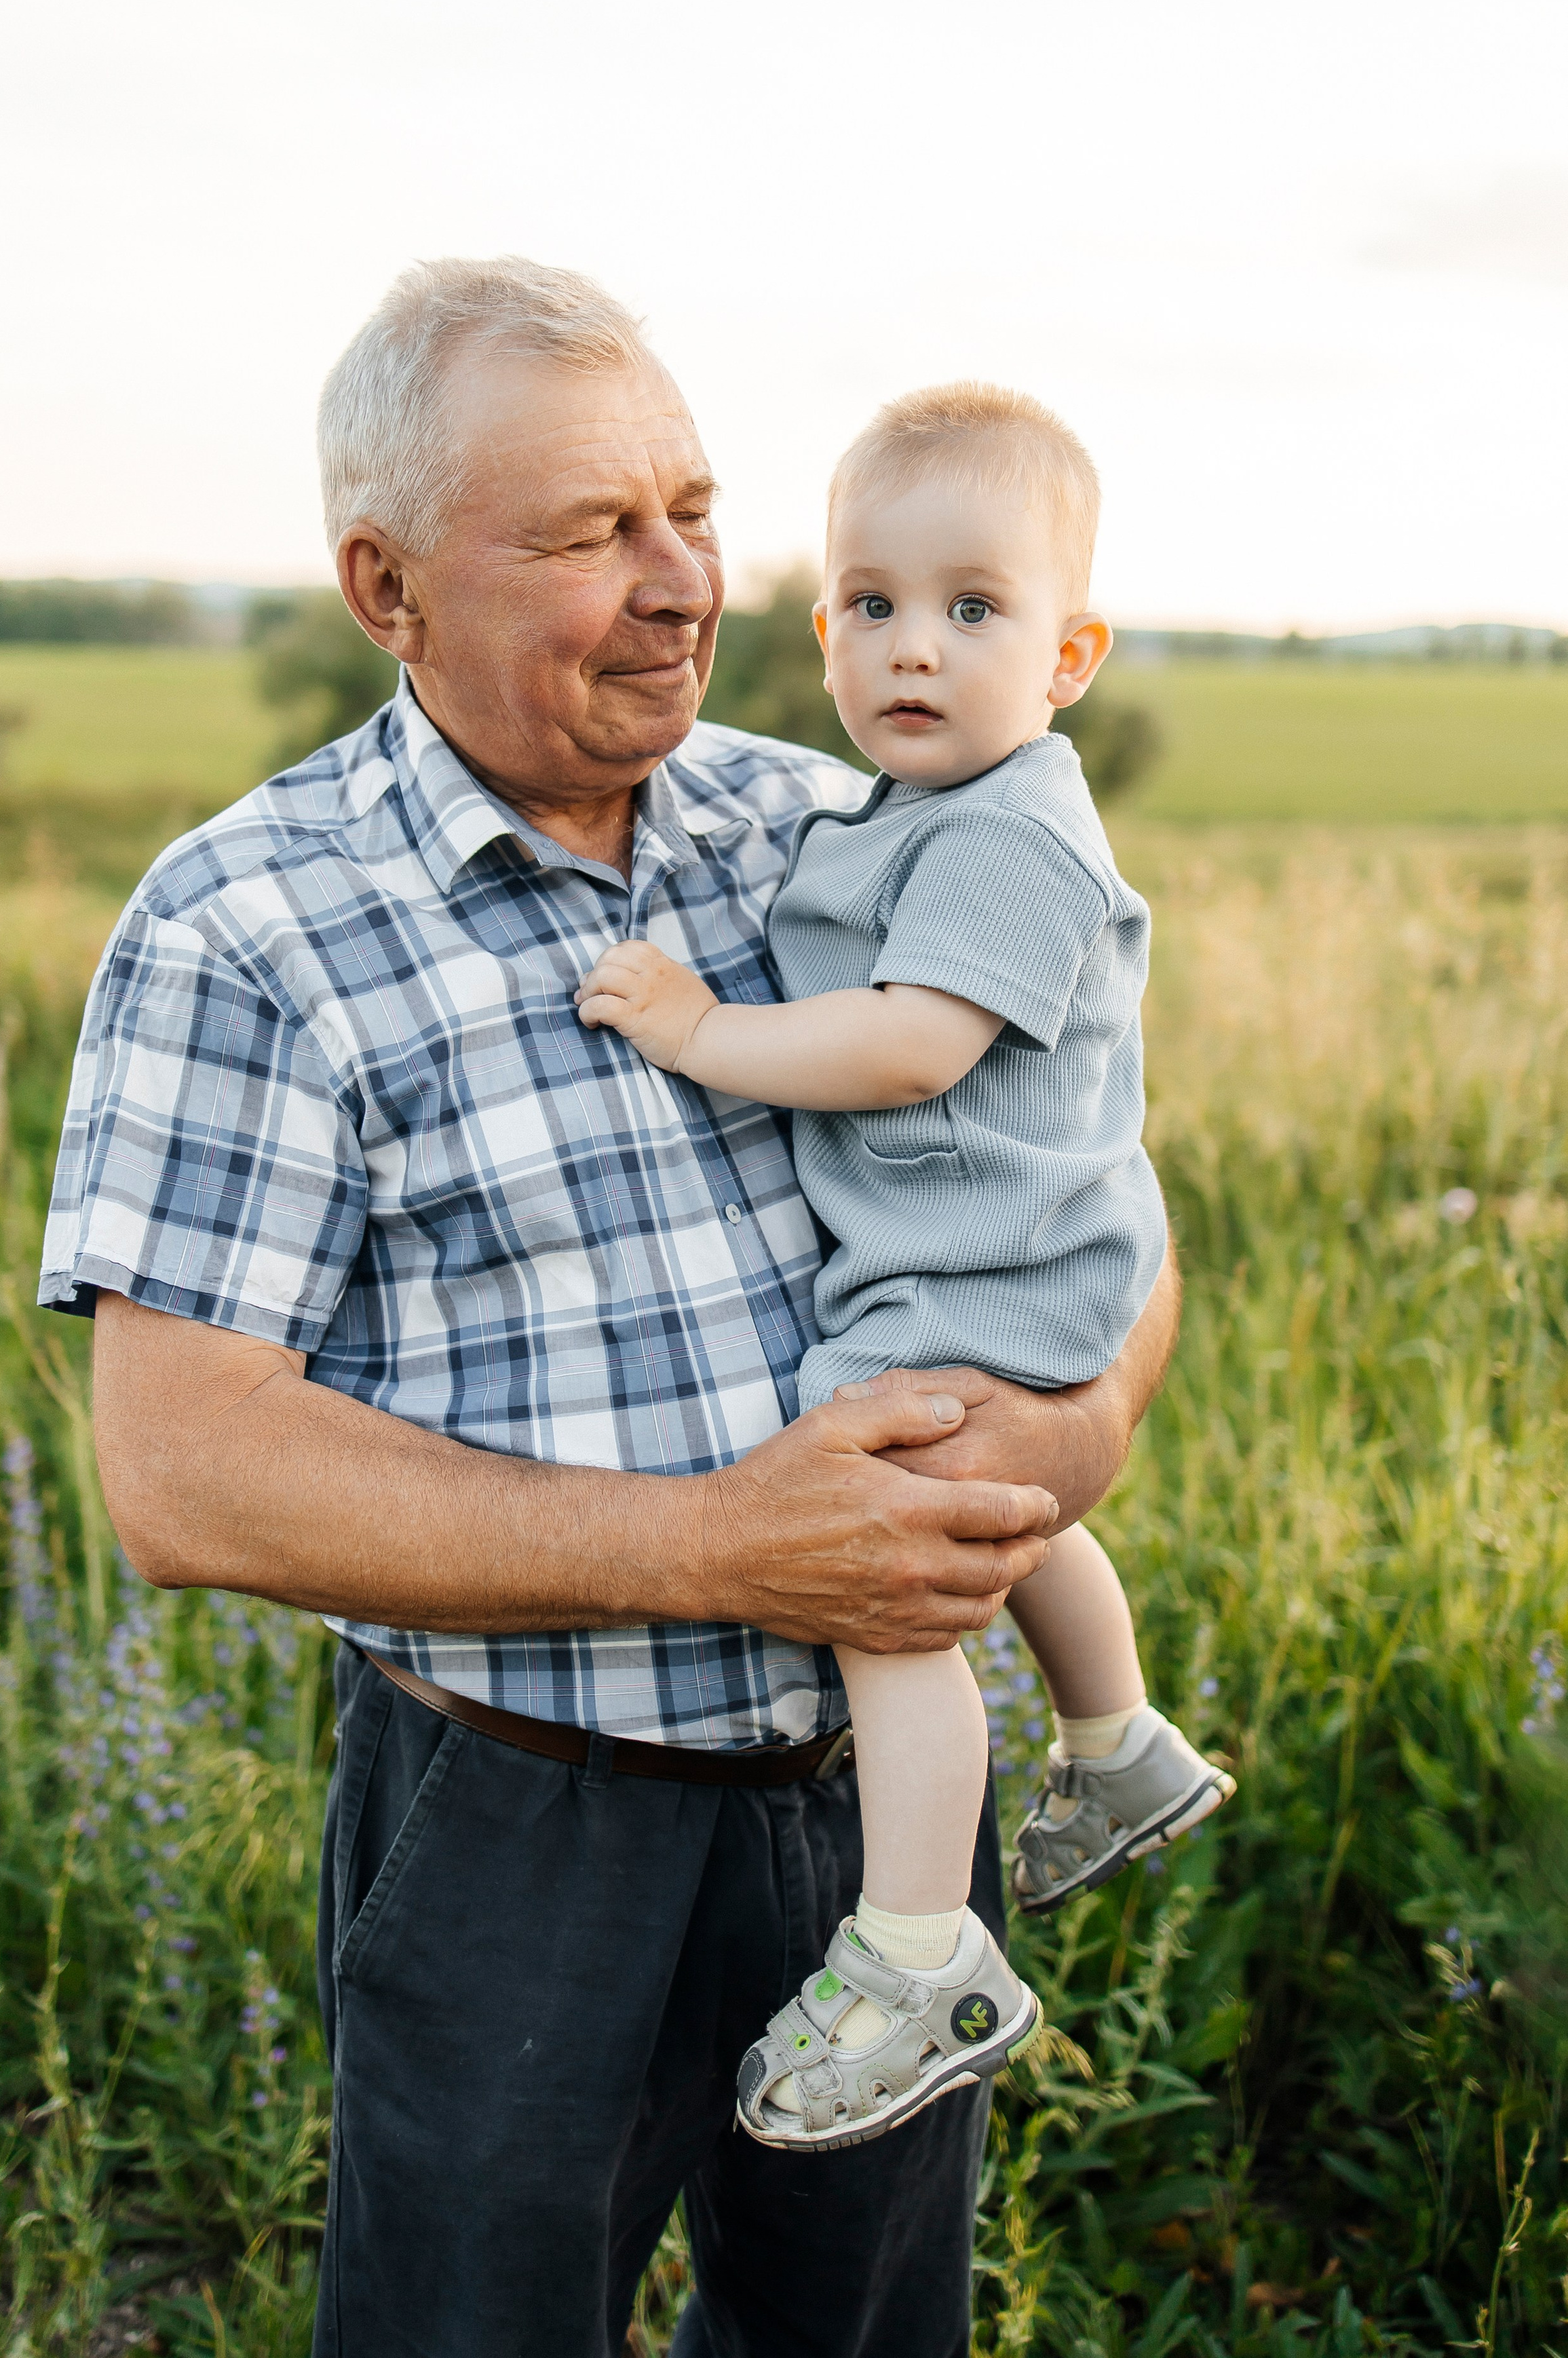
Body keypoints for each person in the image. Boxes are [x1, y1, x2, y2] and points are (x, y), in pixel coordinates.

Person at [42, 257, 1181, 2358]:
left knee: (856, 2332)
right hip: (522, 1832)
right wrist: (723, 1549)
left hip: (872, 1819)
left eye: (691, 509)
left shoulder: (835, 820)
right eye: (589, 536)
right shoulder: (246, 927)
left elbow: (1100, 1199)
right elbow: (182, 1475)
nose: (682, 588)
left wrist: (1066, 1438)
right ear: (386, 586)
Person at [579, 381, 1231, 2152]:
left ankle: (924, 1949)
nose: (912, 649)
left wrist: (705, 1029)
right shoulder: (899, 815)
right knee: (1012, 1529)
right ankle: (1122, 1747)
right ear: (822, 630)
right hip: (987, 1270)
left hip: (981, 1282)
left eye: (972, 608)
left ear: (1069, 652)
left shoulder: (1014, 833)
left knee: (887, 1602)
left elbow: (909, 1048)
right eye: (872, 605)